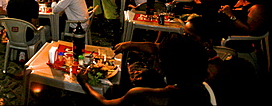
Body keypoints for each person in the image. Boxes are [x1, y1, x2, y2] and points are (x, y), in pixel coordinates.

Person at [77, 34, 214, 106]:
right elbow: (155, 47)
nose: (155, 60)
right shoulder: (202, 87)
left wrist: (85, 83)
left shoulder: (152, 96)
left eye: (159, 58)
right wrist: (130, 45)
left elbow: (105, 104)